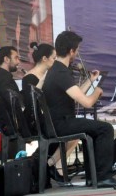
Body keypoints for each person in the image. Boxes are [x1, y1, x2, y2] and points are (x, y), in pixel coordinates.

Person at [42, 31, 116, 188]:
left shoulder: (56, 69)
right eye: (77, 50)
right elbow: (87, 103)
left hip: (57, 122)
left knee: (94, 131)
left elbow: (76, 95)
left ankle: (93, 178)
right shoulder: (61, 73)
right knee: (106, 129)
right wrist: (97, 91)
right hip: (61, 124)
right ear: (71, 51)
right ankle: (103, 177)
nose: (77, 53)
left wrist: (91, 80)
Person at [22, 42, 75, 184]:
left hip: (48, 117)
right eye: (54, 58)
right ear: (45, 59)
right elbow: (32, 103)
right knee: (72, 131)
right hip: (36, 120)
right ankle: (54, 166)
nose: (56, 61)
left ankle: (53, 166)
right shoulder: (29, 78)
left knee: (73, 130)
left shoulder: (51, 75)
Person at [0, 46, 23, 142]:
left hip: (9, 127)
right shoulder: (4, 79)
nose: (18, 62)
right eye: (16, 58)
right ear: (6, 59)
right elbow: (15, 104)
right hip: (15, 128)